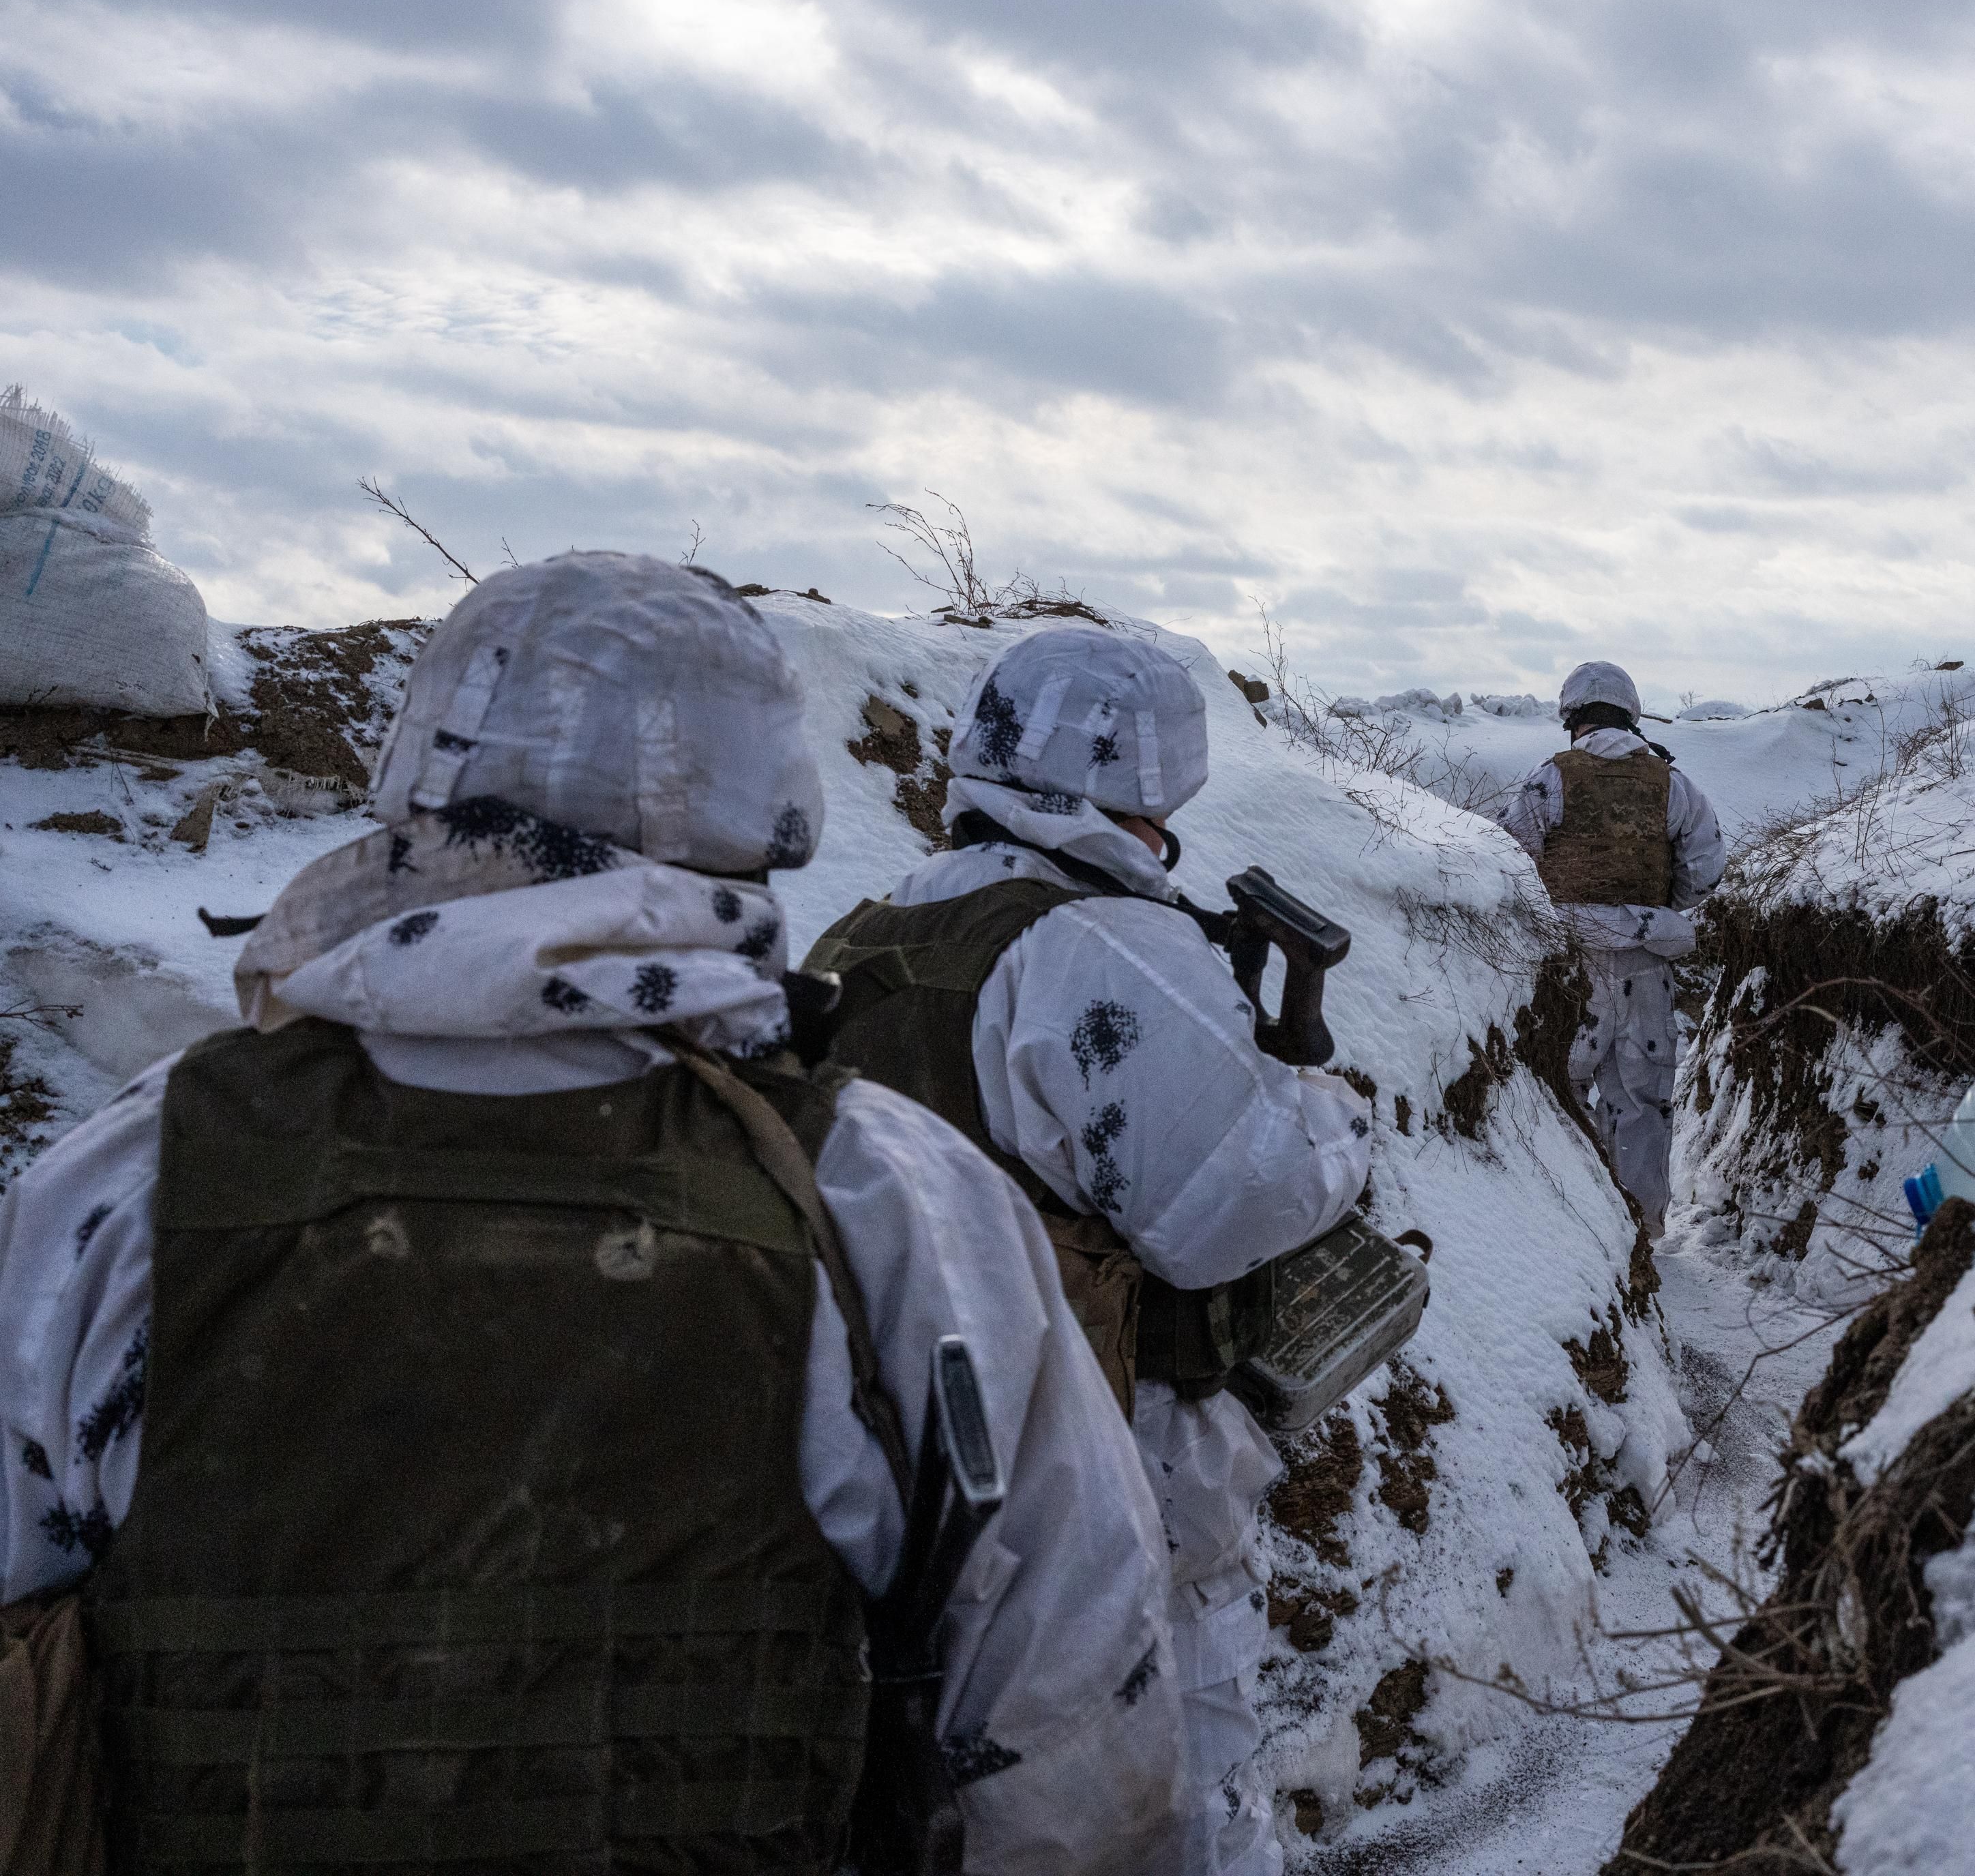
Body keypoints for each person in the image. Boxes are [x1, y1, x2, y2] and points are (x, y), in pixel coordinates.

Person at [0, 554, 1189, 1873]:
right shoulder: (885, 1201)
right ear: (765, 812)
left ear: (422, 772)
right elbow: (1082, 1744)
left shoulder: (127, 1183)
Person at [801, 625, 1371, 1876]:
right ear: (1147, 789)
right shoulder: (1097, 943)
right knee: (1182, 1782)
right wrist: (1335, 1120)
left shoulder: (870, 931)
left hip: (905, 1442)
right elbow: (1231, 1202)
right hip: (1113, 1443)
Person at [1501, 661, 1726, 1234]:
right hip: (1648, 961)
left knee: (1559, 1092)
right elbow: (1705, 872)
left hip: (1567, 963)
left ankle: (1577, 1231)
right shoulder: (1674, 784)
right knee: (1642, 1104)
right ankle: (1643, 1232)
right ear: (1631, 714)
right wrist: (1649, 910)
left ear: (1571, 718)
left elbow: (1508, 860)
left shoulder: (1549, 778)